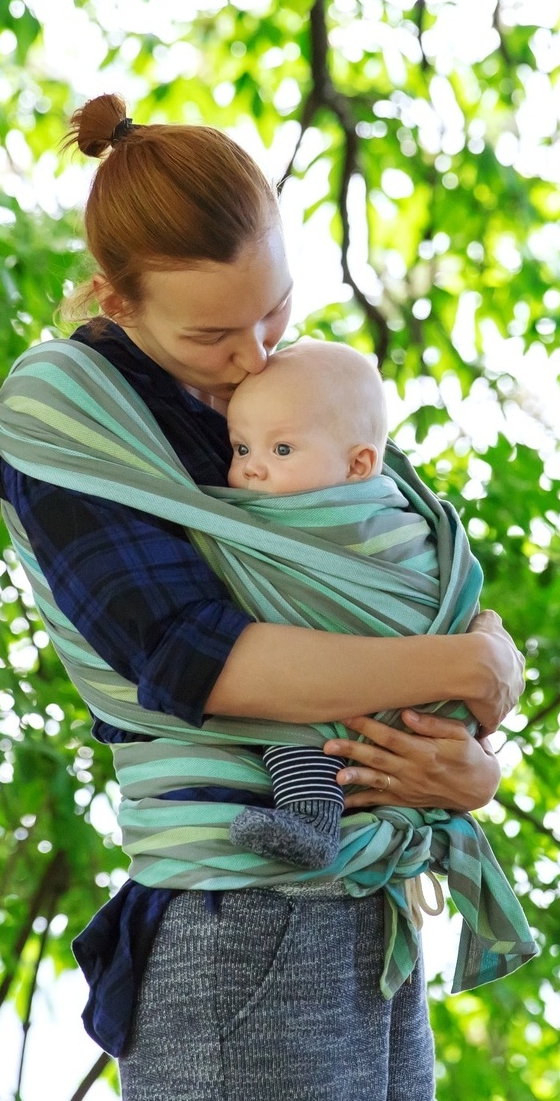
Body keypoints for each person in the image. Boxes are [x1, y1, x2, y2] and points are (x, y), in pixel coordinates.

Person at [0, 93, 526, 1101]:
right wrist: (470, 664)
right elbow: (195, 654)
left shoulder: (288, 388)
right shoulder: (69, 405)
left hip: (370, 899)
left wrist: (465, 756)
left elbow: (400, 573)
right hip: (241, 917)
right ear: (115, 299)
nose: (254, 354)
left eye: (274, 307)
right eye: (213, 333)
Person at [223, 337, 476, 872]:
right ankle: (317, 819)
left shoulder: (389, 519)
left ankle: (311, 820)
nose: (252, 469)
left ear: (359, 464)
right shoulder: (257, 517)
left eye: (281, 449)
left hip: (403, 706)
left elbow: (446, 583)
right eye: (241, 448)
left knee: (291, 716)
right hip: (411, 699)